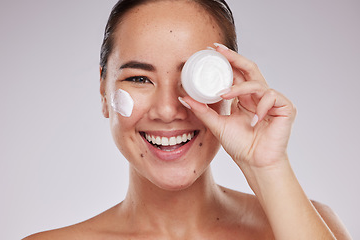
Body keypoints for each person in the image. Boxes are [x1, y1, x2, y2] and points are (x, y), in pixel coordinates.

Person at [24, 0, 352, 239]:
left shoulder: (309, 226)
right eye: (139, 79)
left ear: (231, 83)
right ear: (103, 89)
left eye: (194, 79)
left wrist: (267, 167)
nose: (167, 111)